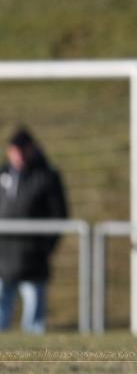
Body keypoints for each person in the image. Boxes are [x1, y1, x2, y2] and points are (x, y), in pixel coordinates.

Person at [0, 128, 69, 333]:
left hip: (33, 258)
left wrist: (45, 248)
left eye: (22, 150)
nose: (18, 155)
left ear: (31, 150)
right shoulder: (3, 175)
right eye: (14, 150)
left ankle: (34, 356)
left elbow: (59, 215)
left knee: (34, 317)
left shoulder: (46, 176)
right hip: (3, 258)